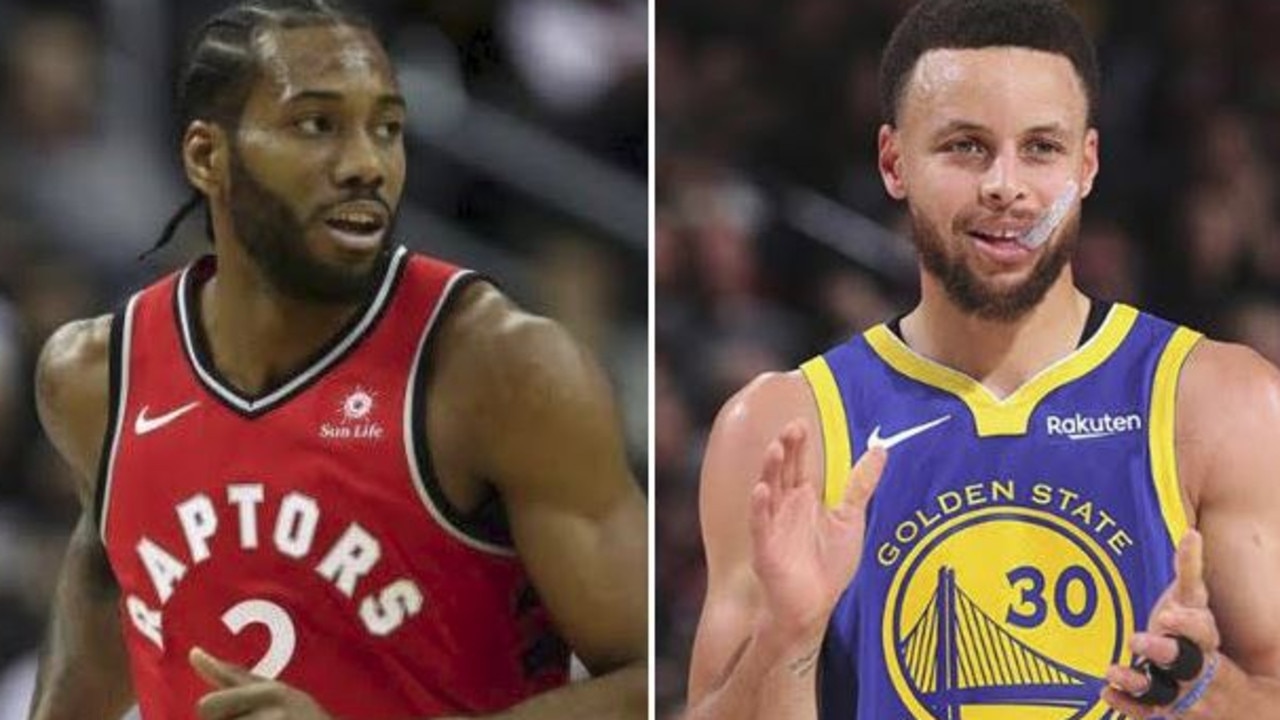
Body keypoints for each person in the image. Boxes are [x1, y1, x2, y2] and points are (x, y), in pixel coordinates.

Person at [28, 1, 647, 718]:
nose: (367, 164)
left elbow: (648, 683)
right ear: (206, 157)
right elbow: (110, 574)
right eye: (317, 124)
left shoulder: (500, 369)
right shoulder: (95, 376)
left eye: (387, 129)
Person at [684, 0, 1280, 718]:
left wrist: (1207, 693)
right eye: (966, 146)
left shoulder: (1223, 403)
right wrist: (788, 633)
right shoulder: (782, 425)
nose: (1005, 185)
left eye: (1040, 148)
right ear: (893, 162)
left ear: (1086, 165)